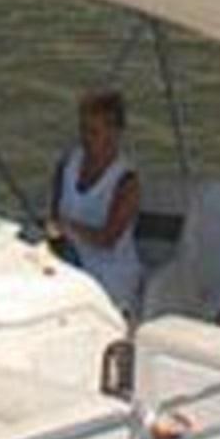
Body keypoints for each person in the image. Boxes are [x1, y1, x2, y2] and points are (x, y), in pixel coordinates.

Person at [46, 90, 146, 314]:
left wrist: (69, 227)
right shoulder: (67, 163)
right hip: (70, 262)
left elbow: (107, 239)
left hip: (110, 274)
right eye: (83, 130)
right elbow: (53, 218)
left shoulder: (127, 182)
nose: (85, 139)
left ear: (114, 134)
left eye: (93, 132)